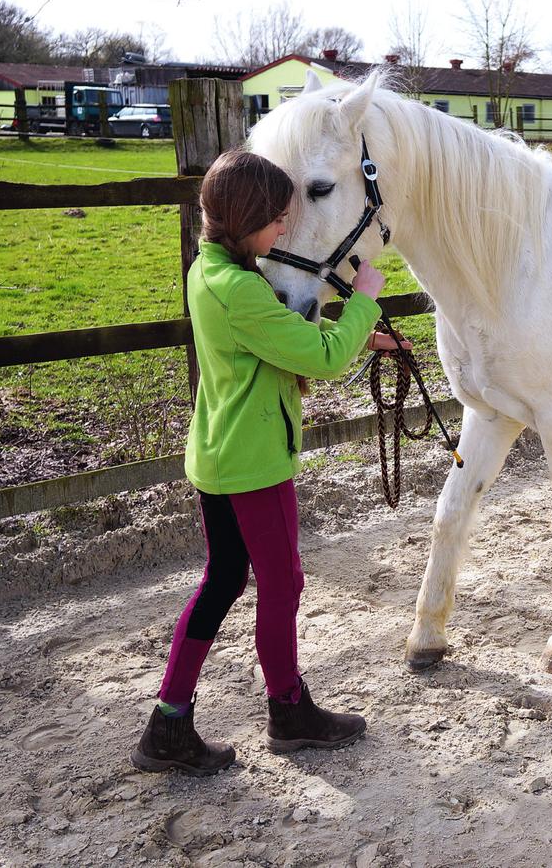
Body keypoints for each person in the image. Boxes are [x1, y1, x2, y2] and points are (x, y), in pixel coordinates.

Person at [131, 149, 405, 776]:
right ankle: (289, 711)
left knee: (224, 581)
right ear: (251, 217)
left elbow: (282, 342)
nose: (285, 230)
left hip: (220, 455)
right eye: (278, 218)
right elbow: (323, 360)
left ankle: (169, 722)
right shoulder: (241, 289)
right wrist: (363, 301)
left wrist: (360, 334)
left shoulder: (211, 271)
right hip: (254, 464)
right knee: (282, 585)